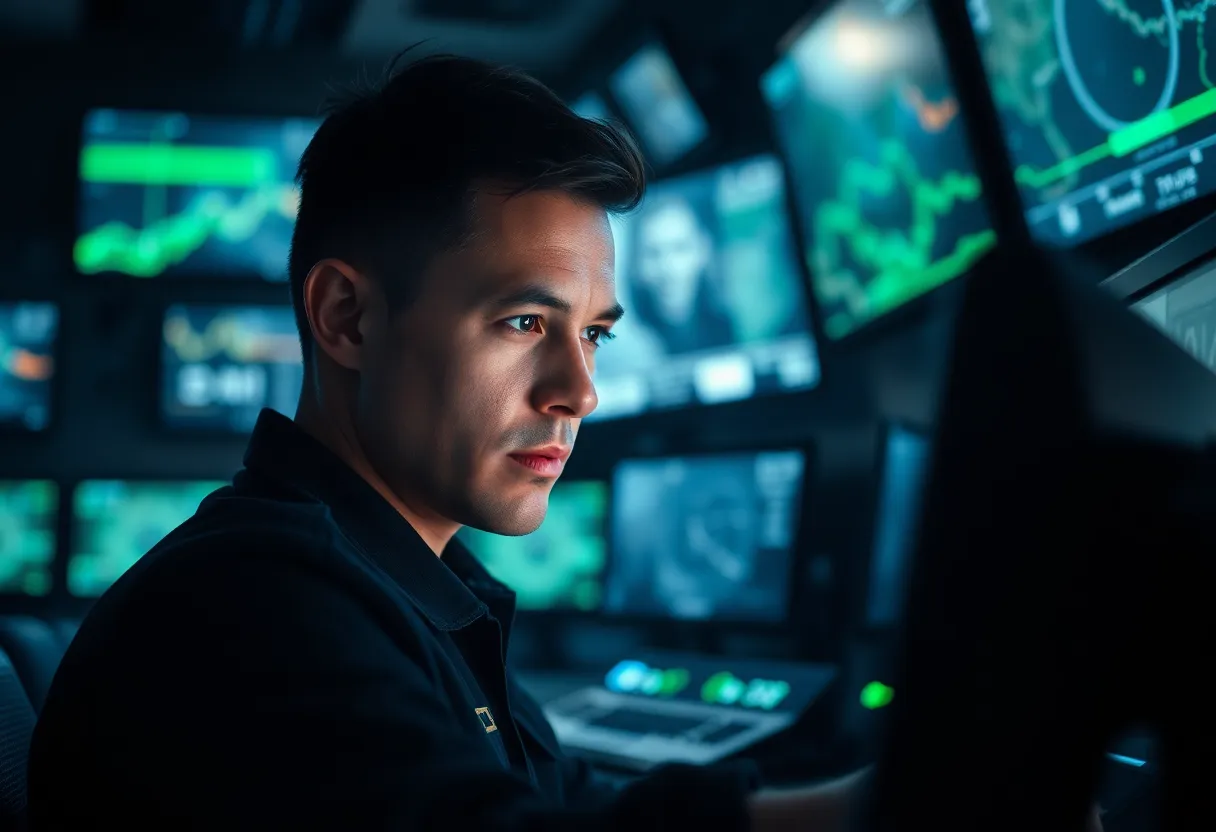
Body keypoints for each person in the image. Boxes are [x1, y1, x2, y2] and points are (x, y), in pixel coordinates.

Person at [26, 54, 869, 830]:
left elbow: (564, 806)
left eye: (595, 335)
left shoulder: (415, 586)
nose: (579, 391)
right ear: (346, 318)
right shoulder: (251, 610)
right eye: (525, 321)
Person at [628, 193, 736, 354]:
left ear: (703, 250)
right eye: (652, 253)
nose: (667, 269)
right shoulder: (629, 345)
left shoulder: (730, 330)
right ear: (636, 266)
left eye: (680, 248)